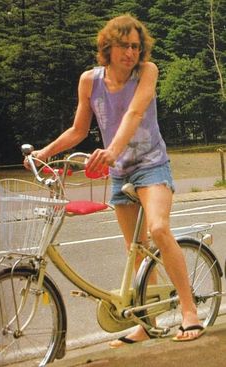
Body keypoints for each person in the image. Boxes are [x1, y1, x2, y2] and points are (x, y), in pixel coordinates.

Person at [24, 14, 205, 347]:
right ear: (108, 47)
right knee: (135, 250)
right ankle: (145, 320)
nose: (131, 53)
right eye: (124, 46)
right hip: (120, 170)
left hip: (152, 165)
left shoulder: (147, 73)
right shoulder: (89, 81)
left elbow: (135, 113)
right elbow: (79, 130)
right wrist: (43, 153)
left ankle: (190, 310)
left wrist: (111, 149)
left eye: (136, 46)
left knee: (159, 229)